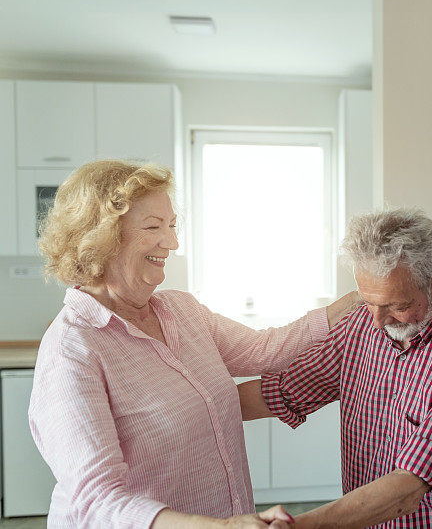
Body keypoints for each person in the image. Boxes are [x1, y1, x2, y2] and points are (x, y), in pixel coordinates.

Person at [29, 160, 361, 528]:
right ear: (102, 237)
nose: (171, 242)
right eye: (154, 227)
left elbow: (266, 350)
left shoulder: (180, 310)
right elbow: (98, 502)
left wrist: (353, 303)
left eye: (171, 226)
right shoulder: (73, 349)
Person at [239, 208, 432, 527]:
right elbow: (280, 393)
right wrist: (185, 408)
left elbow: (410, 485)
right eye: (369, 302)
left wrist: (296, 526)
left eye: (397, 306)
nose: (378, 321)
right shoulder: (359, 325)